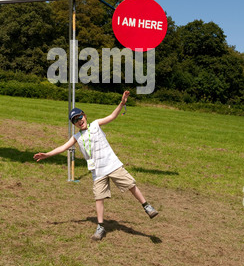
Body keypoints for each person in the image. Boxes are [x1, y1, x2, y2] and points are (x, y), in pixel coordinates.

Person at [33, 91, 158, 241]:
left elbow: (112, 116)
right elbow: (63, 147)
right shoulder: (77, 137)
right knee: (99, 198)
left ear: (85, 115)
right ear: (73, 124)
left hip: (112, 165)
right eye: (75, 120)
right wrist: (47, 154)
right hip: (98, 172)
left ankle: (146, 206)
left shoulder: (96, 125)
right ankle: (100, 227)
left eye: (80, 117)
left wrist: (122, 103)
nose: (79, 121)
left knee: (130, 184)